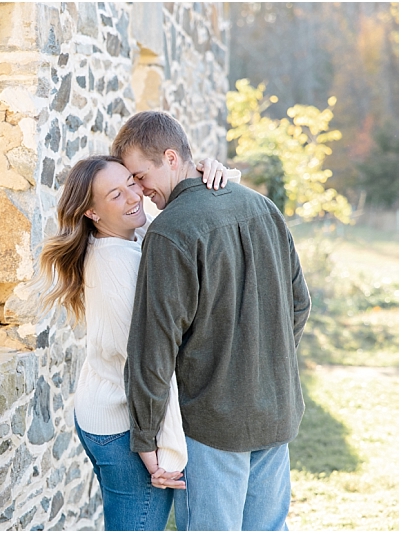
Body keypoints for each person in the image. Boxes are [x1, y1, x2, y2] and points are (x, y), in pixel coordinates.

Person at [112, 110, 311, 531]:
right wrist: (262, 367)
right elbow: (299, 304)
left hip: (212, 424)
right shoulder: (262, 205)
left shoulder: (169, 232)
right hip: (276, 410)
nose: (142, 192)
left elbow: (152, 347)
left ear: (170, 157)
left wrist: (145, 437)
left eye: (140, 176)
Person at [33, 154, 235, 531]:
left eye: (131, 182)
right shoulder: (117, 265)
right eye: (115, 194)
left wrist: (214, 172)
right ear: (92, 213)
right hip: (123, 427)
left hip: (108, 410)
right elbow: (147, 362)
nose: (133, 197)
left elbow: (184, 218)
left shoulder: (130, 237)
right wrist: (159, 454)